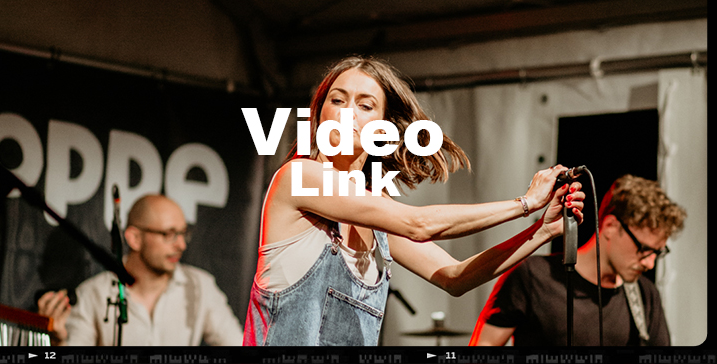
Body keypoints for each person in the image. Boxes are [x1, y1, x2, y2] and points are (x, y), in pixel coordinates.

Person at [242, 55, 586, 346]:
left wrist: (541, 232)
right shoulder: (300, 177)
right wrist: (525, 203)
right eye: (337, 100)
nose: (348, 112)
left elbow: (454, 277)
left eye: (365, 105)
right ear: (318, 113)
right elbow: (419, 225)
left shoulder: (374, 212)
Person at [469, 174, 686, 347]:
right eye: (644, 249)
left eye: (657, 252)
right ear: (611, 226)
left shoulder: (646, 295)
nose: (650, 264)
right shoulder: (532, 276)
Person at [37, 194, 244, 346]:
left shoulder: (201, 286)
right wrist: (58, 341)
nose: (181, 245)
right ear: (134, 238)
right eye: (169, 234)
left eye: (183, 233)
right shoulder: (93, 294)